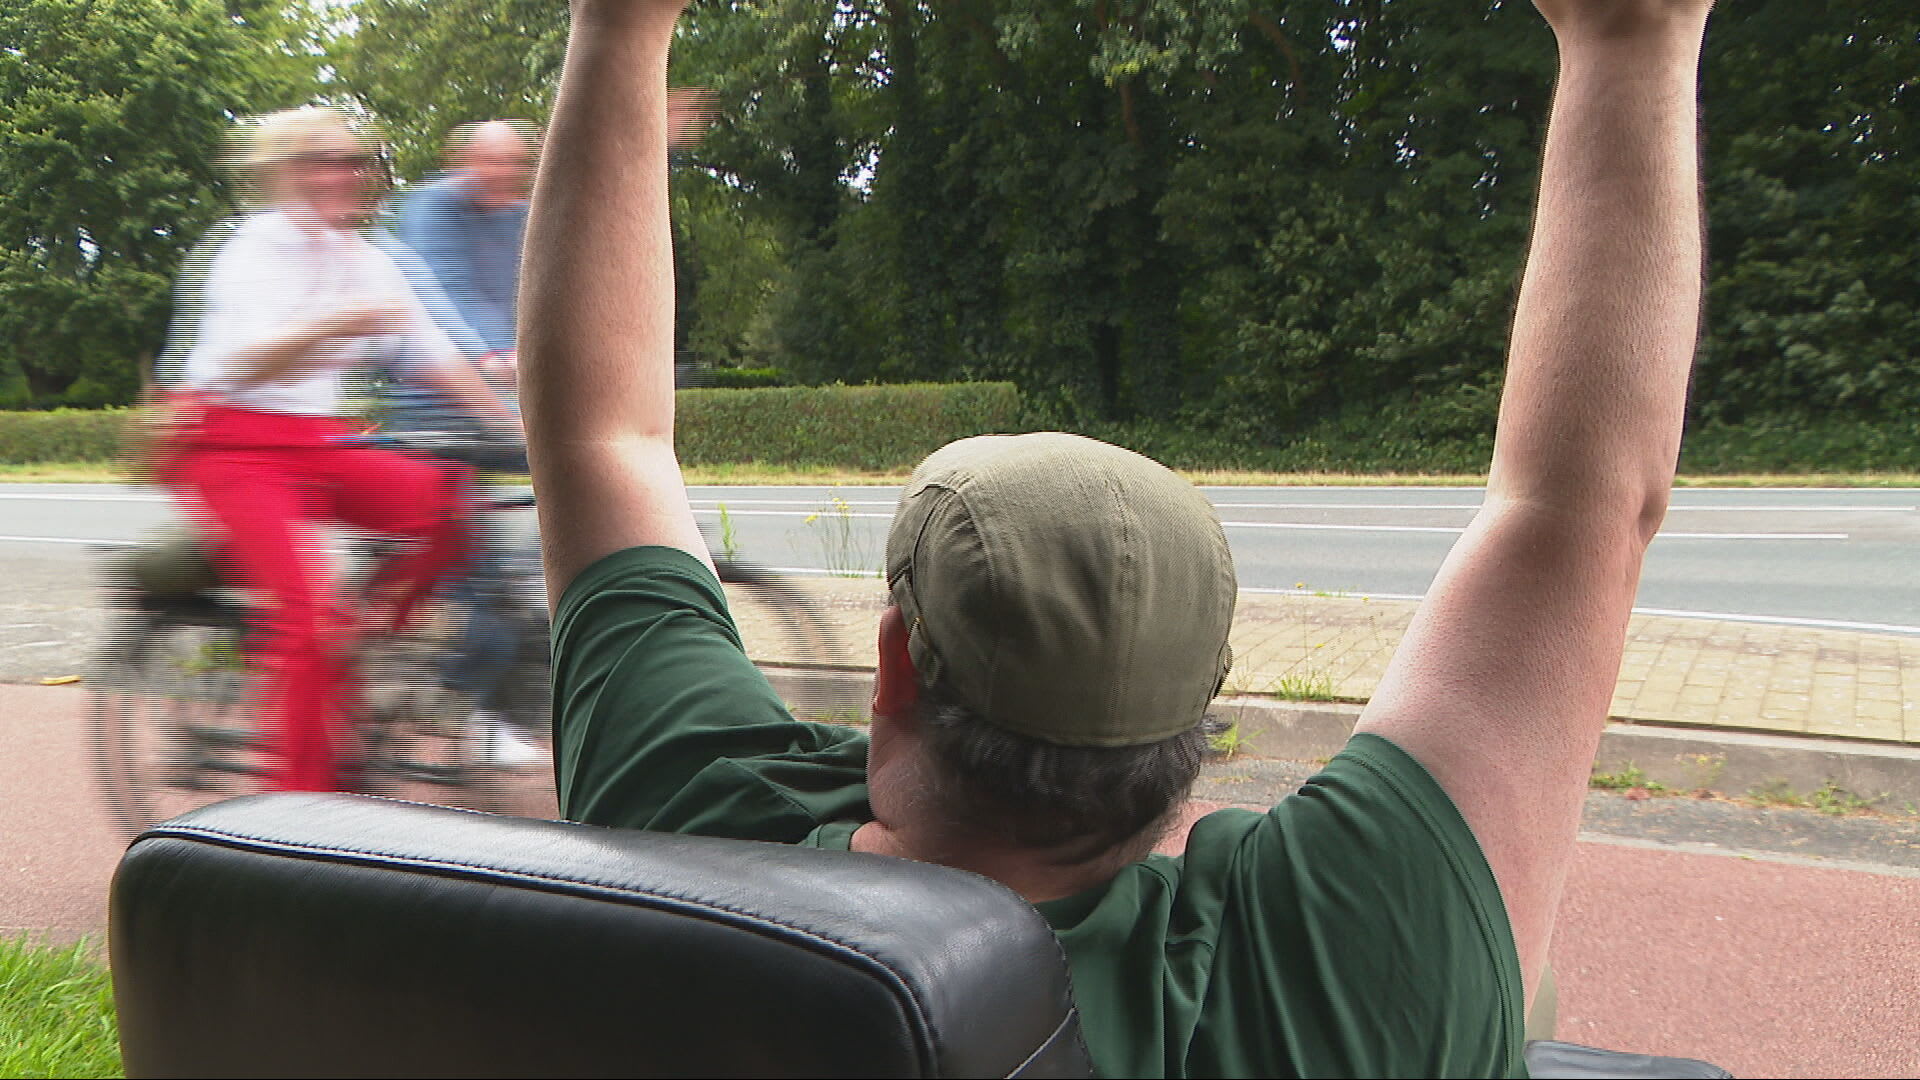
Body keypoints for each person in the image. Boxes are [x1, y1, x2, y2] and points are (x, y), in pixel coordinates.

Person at [519, 0, 1714, 1075]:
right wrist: (1634, 38)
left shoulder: (697, 817)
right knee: (1525, 985)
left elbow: (601, 438)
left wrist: (622, 26)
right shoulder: (1348, 970)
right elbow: (1576, 510)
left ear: (895, 664)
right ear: (1192, 736)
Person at [174, 105, 519, 792]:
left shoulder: (367, 259)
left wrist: (514, 426)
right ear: (287, 173)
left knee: (449, 499)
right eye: (324, 161)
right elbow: (240, 360)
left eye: (355, 161)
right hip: (228, 442)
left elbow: (436, 356)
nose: (345, 174)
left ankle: (361, 635)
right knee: (305, 620)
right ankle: (303, 817)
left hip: (314, 442)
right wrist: (334, 323)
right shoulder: (252, 247)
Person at [396, 120, 537, 383]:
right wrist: (495, 351)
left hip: (510, 370)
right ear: (463, 161)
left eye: (515, 162)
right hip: (441, 382)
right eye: (492, 161)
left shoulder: (524, 216)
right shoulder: (434, 207)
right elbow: (445, 291)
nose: (505, 172)